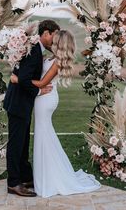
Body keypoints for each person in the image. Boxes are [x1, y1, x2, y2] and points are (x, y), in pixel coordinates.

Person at [11, 30, 101, 198]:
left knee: (44, 136)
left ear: (60, 44)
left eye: (55, 41)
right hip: (42, 99)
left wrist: (18, 80)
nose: (51, 42)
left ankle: (50, 178)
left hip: (46, 99)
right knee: (43, 136)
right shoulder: (51, 58)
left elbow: (43, 83)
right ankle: (43, 175)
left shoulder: (58, 62)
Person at [3, 19, 60, 197]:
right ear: (45, 34)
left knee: (23, 143)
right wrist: (39, 90)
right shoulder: (34, 51)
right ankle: (13, 183)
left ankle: (25, 177)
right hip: (18, 102)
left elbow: (21, 77)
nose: (55, 41)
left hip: (22, 103)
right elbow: (25, 79)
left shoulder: (35, 49)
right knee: (16, 144)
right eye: (54, 36)